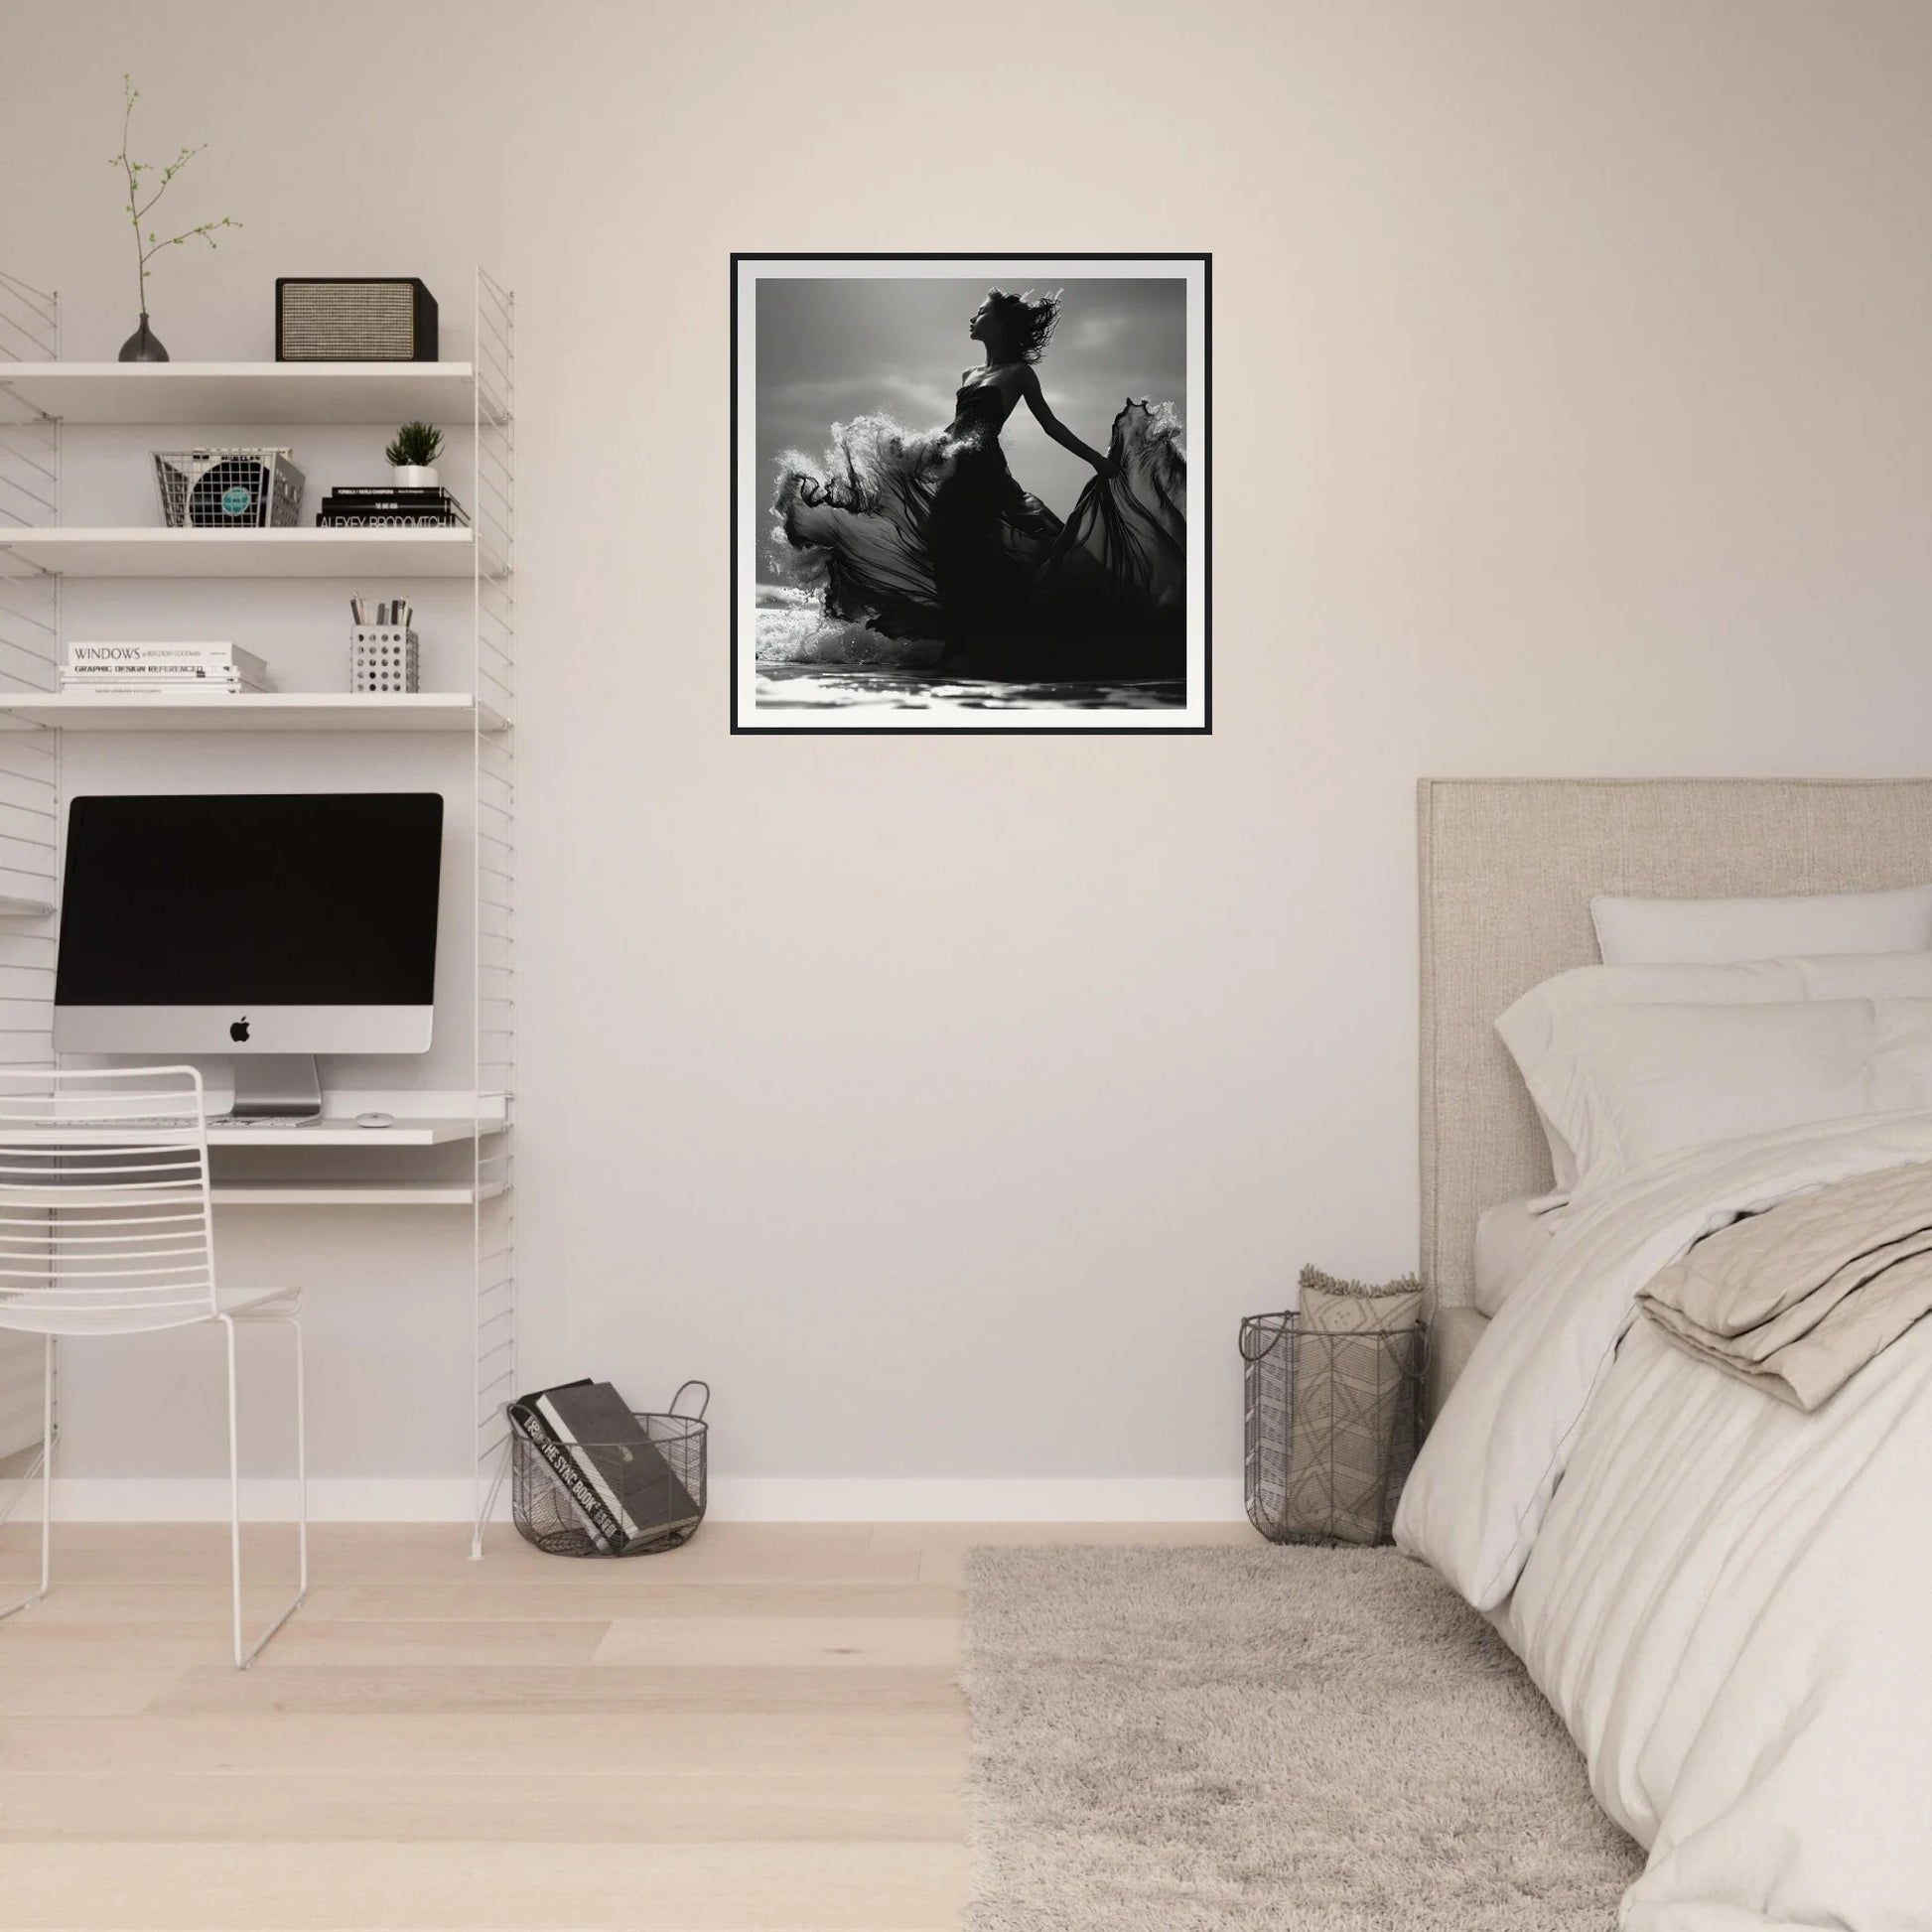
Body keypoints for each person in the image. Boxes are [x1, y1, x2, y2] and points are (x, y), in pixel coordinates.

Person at [772, 287, 1185, 678]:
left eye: (982, 313)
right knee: (946, 551)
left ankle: (997, 647)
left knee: (990, 554)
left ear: (1000, 323)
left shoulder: (1020, 373)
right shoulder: (969, 374)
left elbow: (1050, 425)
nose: (973, 318)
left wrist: (1097, 460)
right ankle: (970, 643)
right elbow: (959, 427)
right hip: (956, 475)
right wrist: (918, 451)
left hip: (987, 477)